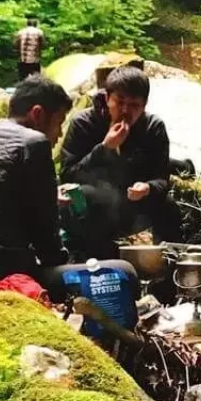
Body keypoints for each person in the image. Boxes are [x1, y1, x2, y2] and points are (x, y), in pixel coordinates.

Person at [0, 73, 135, 299]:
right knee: (124, 272)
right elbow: (48, 243)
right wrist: (67, 267)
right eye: (58, 123)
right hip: (0, 279)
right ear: (37, 114)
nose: (58, 135)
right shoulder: (33, 143)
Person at [59, 65, 183, 259]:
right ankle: (90, 261)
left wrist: (148, 187)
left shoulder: (152, 127)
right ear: (107, 98)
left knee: (169, 207)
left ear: (144, 105)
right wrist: (104, 148)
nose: (125, 110)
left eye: (134, 105)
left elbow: (162, 178)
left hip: (134, 203)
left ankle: (165, 272)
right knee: (88, 196)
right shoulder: (84, 123)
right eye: (119, 102)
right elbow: (68, 174)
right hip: (92, 204)